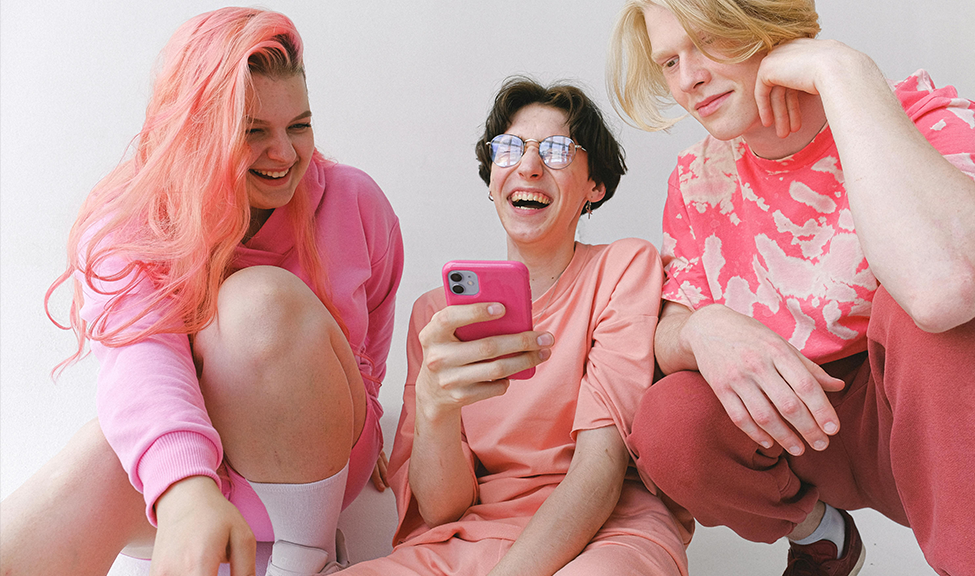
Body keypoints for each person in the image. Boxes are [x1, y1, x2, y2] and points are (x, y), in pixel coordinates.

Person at [607, 1, 975, 575]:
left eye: (708, 41)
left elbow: (945, 288)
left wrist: (843, 72)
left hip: (935, 423)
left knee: (924, 321)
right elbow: (670, 326)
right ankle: (820, 535)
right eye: (669, 61)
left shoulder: (917, 112)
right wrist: (703, 328)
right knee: (668, 417)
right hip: (799, 429)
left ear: (766, 24)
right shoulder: (694, 176)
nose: (688, 77)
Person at [0, 8, 402, 576]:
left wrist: (359, 403)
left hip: (318, 451)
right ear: (194, 130)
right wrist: (186, 490)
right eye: (253, 131)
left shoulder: (355, 201)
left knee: (258, 301)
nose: (285, 154)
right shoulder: (131, 221)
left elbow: (373, 331)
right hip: (198, 457)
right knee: (89, 460)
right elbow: (141, 359)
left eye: (300, 126)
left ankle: (302, 558)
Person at [341, 77, 691, 576]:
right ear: (490, 179)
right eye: (509, 149)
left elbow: (602, 466)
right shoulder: (436, 315)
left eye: (556, 150)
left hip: (607, 533)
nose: (528, 165)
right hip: (467, 536)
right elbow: (442, 510)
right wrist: (436, 409)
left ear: (596, 185)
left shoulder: (623, 268)